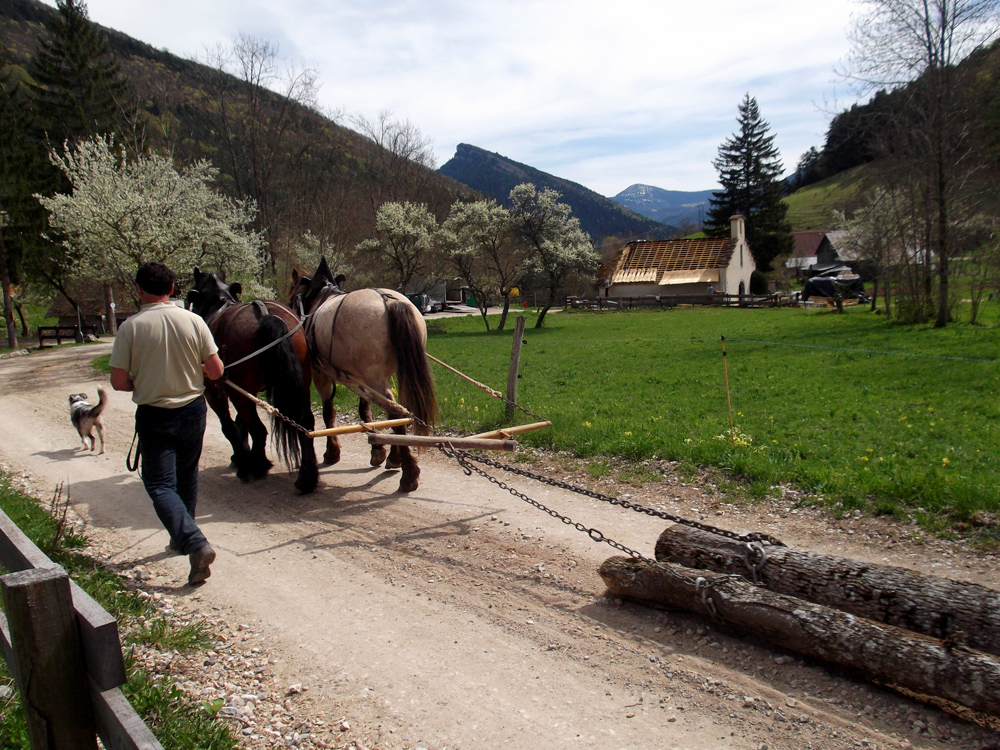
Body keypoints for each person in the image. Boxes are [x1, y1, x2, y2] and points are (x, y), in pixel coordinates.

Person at [110, 262, 225, 585]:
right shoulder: (194, 321)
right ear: (172, 288)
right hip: (192, 410)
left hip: (155, 413)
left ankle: (193, 542)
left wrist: (143, 380)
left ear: (139, 289)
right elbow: (216, 372)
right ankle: (182, 538)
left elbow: (118, 382)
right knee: (187, 476)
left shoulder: (130, 328)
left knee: (160, 484)